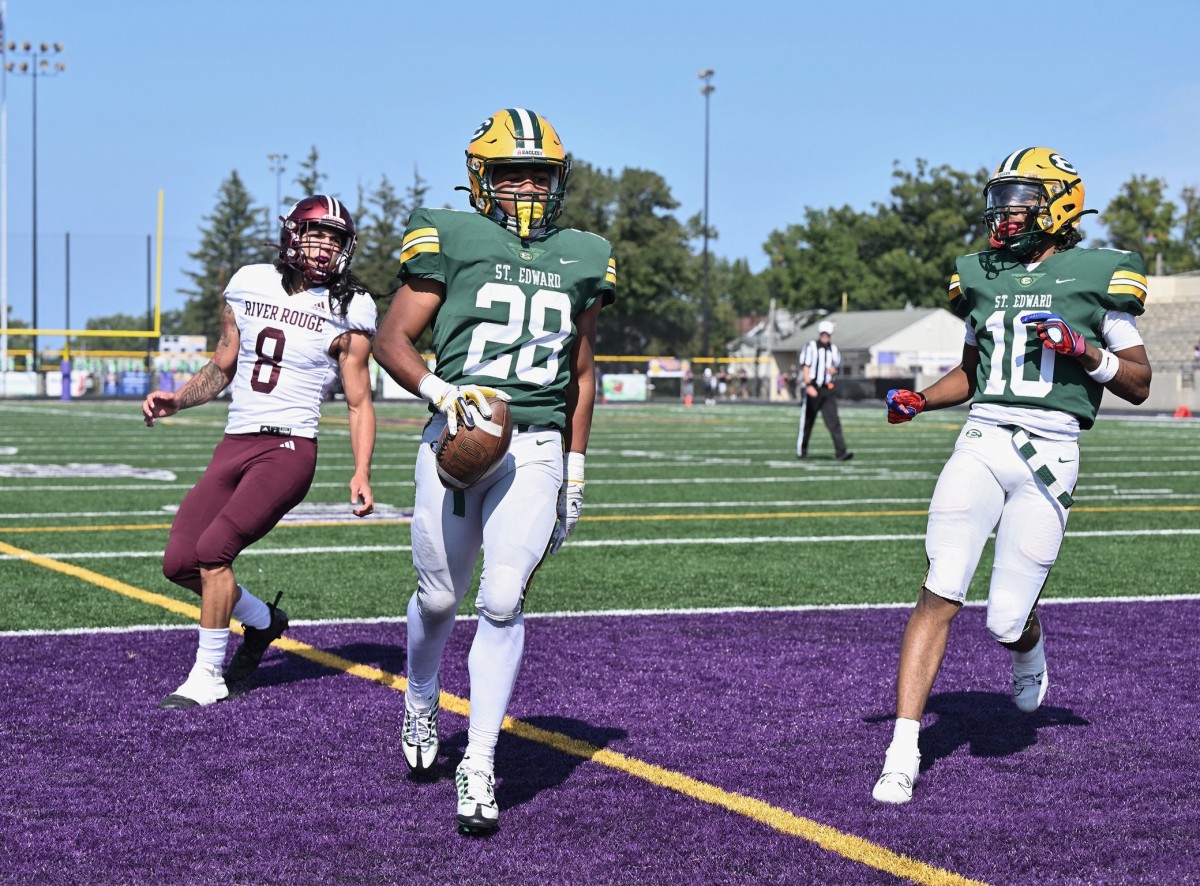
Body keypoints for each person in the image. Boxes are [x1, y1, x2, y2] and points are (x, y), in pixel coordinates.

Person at [872, 147, 1151, 804]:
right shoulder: (980, 274)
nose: (1004, 213)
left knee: (1003, 621)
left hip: (1050, 454)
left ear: (1058, 201)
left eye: (1019, 198)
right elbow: (970, 373)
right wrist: (920, 397)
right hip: (983, 439)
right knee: (940, 586)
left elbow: (1138, 382)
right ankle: (903, 749)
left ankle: (1028, 646)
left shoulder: (1099, 273)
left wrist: (1082, 348)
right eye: (1000, 199)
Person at [372, 108, 616, 835]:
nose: (526, 188)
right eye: (512, 173)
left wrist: (575, 463)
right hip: (457, 432)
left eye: (539, 174)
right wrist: (441, 391)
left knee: (503, 598)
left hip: (536, 440)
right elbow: (392, 339)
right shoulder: (451, 234)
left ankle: (479, 761)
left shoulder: (584, 252)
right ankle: (420, 698)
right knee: (441, 597)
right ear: (481, 178)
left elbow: (582, 368)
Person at [142, 195, 377, 709]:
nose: (326, 248)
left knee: (214, 551)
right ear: (293, 234)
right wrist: (178, 399)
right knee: (180, 562)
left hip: (290, 447)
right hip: (236, 440)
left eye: (336, 240)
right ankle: (265, 622)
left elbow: (359, 401)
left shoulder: (350, 306)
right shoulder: (250, 282)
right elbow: (224, 365)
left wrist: (361, 469)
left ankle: (207, 676)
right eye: (317, 235)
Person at [796, 320, 853, 460]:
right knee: (808, 421)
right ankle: (801, 451)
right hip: (813, 387)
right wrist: (808, 385)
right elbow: (805, 367)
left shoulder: (833, 349)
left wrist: (834, 371)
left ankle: (841, 452)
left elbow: (835, 367)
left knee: (834, 422)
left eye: (827, 334)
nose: (825, 336)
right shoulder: (811, 347)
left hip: (828, 390)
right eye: (823, 334)